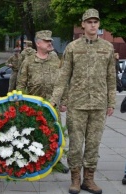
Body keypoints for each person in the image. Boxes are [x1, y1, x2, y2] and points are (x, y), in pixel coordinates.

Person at [50, 8, 116, 194]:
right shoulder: (72, 47)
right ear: (83, 24)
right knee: (76, 145)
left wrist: (111, 102)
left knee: (93, 144)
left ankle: (89, 179)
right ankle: (75, 179)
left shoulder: (107, 48)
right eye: (89, 22)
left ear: (99, 24)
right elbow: (63, 76)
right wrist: (55, 101)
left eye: (95, 22)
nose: (92, 25)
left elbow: (111, 78)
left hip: (98, 104)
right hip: (76, 104)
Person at [16, 30, 69, 174]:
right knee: (32, 133)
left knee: (55, 134)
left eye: (50, 41)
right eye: (47, 41)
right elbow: (21, 83)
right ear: (38, 43)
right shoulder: (28, 61)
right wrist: (20, 102)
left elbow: (62, 82)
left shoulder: (56, 60)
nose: (50, 43)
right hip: (34, 106)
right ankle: (32, 160)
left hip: (53, 105)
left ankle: (56, 161)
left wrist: (64, 101)